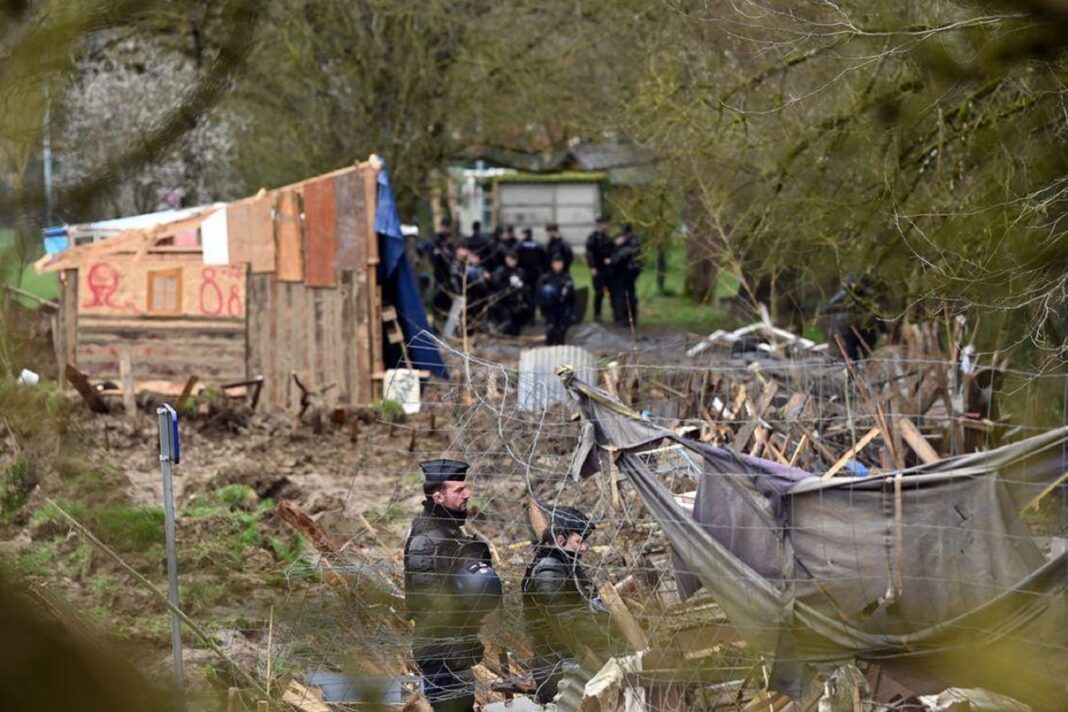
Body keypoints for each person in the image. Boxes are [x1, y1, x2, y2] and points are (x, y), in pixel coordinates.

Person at [404, 459, 502, 712]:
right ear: (437, 496)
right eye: (458, 490)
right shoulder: (426, 542)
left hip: (455, 648)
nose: (467, 494)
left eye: (465, 488)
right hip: (441, 651)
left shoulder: (447, 532)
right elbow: (431, 605)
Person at [521, 505, 616, 704]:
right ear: (561, 540)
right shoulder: (548, 571)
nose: (583, 548)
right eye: (578, 542)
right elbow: (567, 619)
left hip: (569, 662)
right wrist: (608, 630)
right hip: (558, 668)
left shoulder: (563, 566)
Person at [605, 223, 642, 327]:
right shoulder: (628, 241)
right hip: (624, 272)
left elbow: (624, 255)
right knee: (625, 295)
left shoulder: (631, 242)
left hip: (627, 272)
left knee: (625, 296)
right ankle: (626, 318)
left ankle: (626, 319)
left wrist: (612, 261)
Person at [490, 250, 532, 336]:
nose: (511, 261)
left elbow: (524, 285)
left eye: (513, 259)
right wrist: (508, 285)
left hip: (515, 301)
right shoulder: (501, 270)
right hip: (503, 300)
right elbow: (495, 283)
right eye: (509, 259)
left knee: (516, 322)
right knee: (506, 320)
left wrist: (519, 285)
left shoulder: (519, 271)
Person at [537, 255, 576, 346]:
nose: (557, 266)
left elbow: (572, 297)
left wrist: (572, 311)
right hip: (550, 309)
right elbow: (540, 294)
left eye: (559, 263)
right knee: (551, 329)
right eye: (556, 263)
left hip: (563, 308)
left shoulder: (567, 278)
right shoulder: (546, 278)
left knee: (561, 331)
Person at [585, 215, 613, 321]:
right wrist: (592, 267)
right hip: (598, 268)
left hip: (608, 269)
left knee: (612, 291)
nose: (604, 226)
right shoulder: (593, 238)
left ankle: (616, 313)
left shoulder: (609, 238)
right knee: (599, 292)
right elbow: (589, 253)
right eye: (602, 224)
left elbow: (613, 251)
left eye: (606, 224)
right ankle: (597, 314)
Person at [516, 227, 548, 303]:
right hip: (535, 271)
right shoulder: (538, 245)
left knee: (523, 289)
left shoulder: (519, 245)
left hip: (523, 271)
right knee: (535, 290)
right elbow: (544, 258)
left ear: (525, 234)